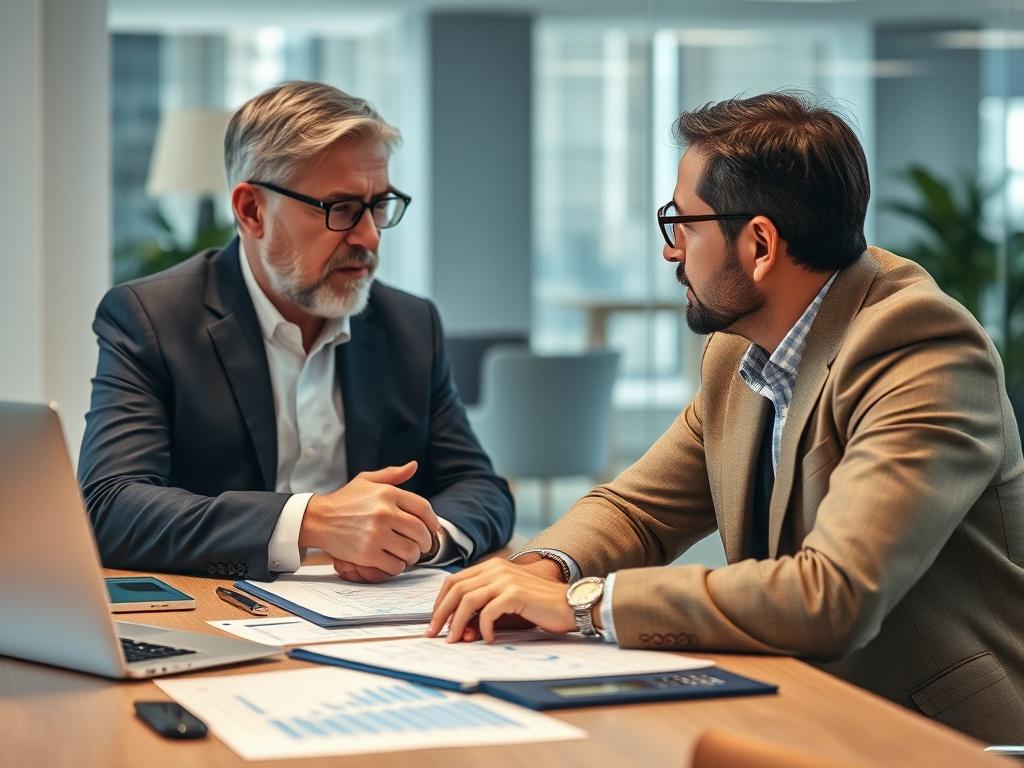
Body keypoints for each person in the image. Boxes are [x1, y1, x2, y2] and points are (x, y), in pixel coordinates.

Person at [429, 92, 1024, 743]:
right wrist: (542, 569)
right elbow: (640, 509)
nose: (671, 251)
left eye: (682, 224)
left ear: (760, 244)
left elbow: (833, 597)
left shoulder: (917, 348)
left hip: (937, 736)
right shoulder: (739, 348)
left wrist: (585, 605)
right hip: (799, 707)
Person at [79, 81, 514, 583]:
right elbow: (110, 507)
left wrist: (416, 539)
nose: (370, 236)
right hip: (220, 607)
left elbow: (481, 487)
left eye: (379, 205)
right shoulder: (151, 318)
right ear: (251, 211)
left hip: (382, 620)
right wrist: (312, 521)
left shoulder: (411, 326)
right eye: (342, 208)